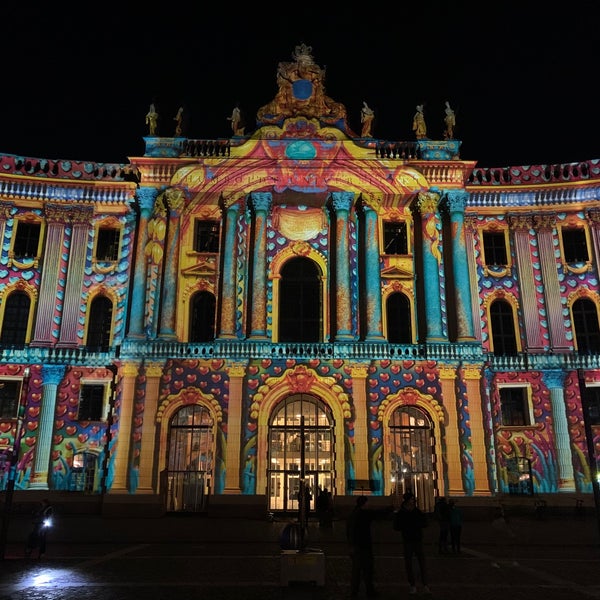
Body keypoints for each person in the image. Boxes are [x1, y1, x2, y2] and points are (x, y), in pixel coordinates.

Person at [346, 495, 388, 598]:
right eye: (367, 503)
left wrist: (351, 544)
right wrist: (391, 508)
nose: (369, 505)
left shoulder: (353, 514)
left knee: (357, 571)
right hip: (363, 546)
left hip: (357, 546)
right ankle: (368, 591)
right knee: (366, 570)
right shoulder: (363, 514)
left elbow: (349, 530)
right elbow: (377, 514)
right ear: (364, 504)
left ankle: (355, 592)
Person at [393, 491, 430, 595]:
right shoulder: (401, 513)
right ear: (407, 500)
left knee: (422, 563)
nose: (413, 501)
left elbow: (425, 523)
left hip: (417, 539)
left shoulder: (417, 511)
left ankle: (425, 584)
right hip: (408, 540)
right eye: (412, 499)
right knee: (409, 564)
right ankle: (412, 585)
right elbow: (396, 526)